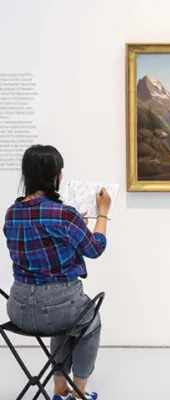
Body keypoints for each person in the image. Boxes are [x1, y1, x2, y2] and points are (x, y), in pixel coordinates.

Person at [2, 145, 111, 400]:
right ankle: (79, 393)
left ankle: (59, 390)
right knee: (89, 323)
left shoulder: (12, 213)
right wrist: (102, 213)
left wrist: (72, 224)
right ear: (57, 176)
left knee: (65, 322)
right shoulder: (64, 215)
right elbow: (95, 248)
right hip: (58, 308)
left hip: (17, 309)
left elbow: (38, 236)